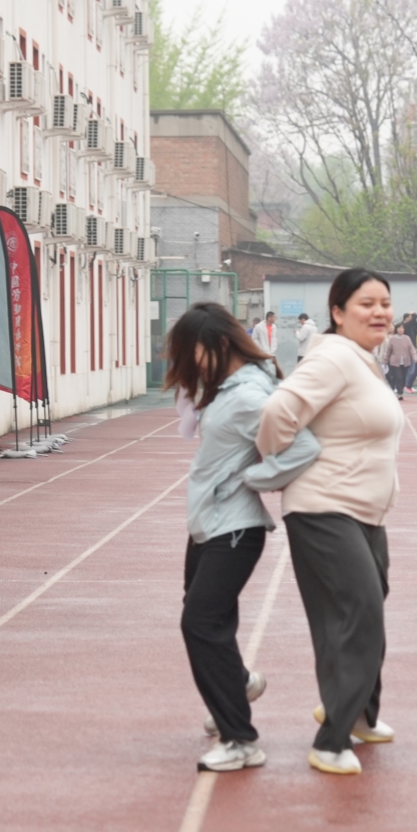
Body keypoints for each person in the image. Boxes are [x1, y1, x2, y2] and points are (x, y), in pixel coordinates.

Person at [258, 268, 406, 775]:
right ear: (338, 312)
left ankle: (360, 713)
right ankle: (331, 740)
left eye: (384, 302)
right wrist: (279, 464)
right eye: (366, 303)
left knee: (363, 613)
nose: (379, 312)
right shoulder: (334, 357)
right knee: (359, 613)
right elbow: (279, 412)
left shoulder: (363, 360)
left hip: (365, 511)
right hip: (324, 508)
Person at [166, 303, 321, 772]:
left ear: (217, 344)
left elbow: (304, 447)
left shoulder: (250, 394)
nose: (192, 365)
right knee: (208, 621)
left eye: (193, 354)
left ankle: (240, 739)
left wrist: (254, 480)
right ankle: (238, 685)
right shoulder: (232, 387)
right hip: (209, 524)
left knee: (200, 623)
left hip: (233, 528)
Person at [384, 319, 416, 397]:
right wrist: (386, 360)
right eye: (399, 328)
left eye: (402, 328)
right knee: (398, 377)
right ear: (396, 329)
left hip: (405, 362)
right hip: (395, 362)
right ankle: (399, 393)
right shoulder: (392, 339)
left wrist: (415, 357)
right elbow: (388, 351)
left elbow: (412, 349)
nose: (400, 329)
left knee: (404, 378)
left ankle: (400, 389)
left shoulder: (407, 338)